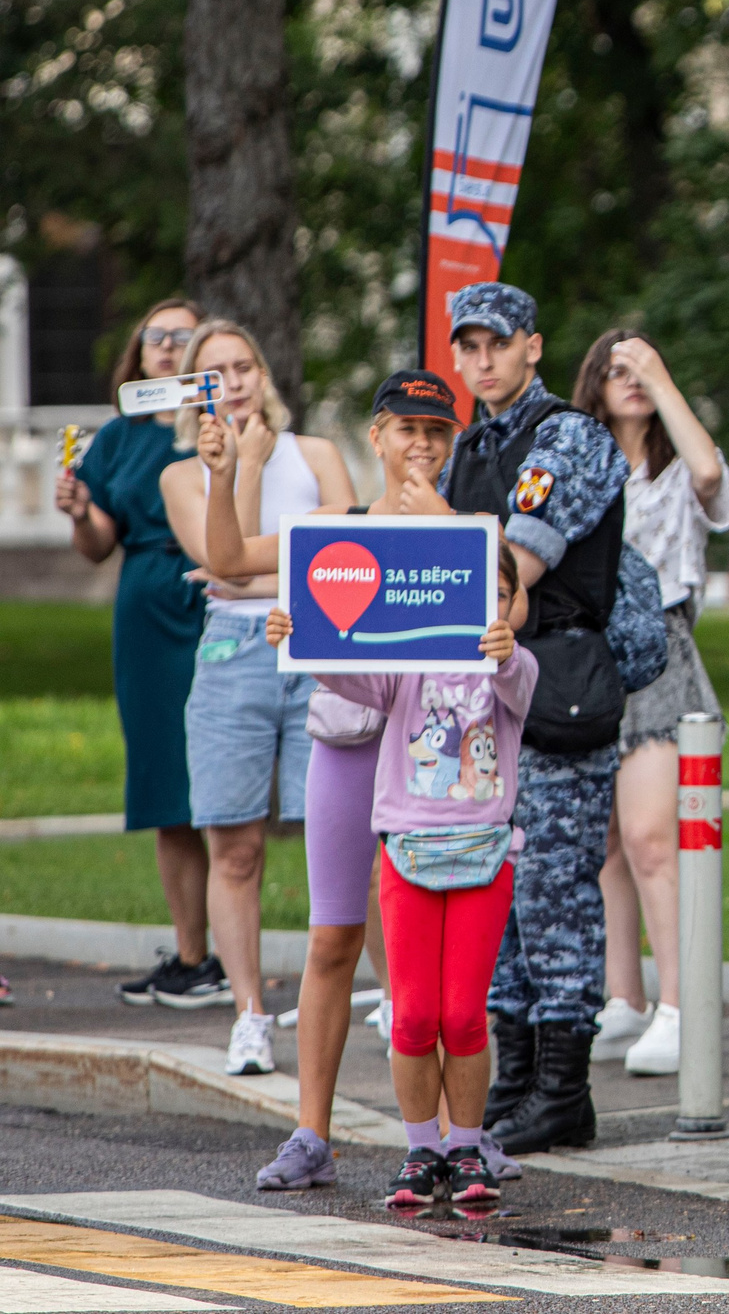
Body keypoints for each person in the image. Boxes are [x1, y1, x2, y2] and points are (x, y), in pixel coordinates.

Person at [208, 371, 461, 1191]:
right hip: (349, 747)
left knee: (438, 950)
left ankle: (458, 1136)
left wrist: (445, 528)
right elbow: (228, 559)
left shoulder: (465, 532)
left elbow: (510, 612)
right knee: (333, 936)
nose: (421, 444)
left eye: (437, 431)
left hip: (434, 762)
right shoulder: (332, 531)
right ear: (377, 436)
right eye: (406, 428)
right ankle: (311, 1134)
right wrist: (225, 473)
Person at [427, 282, 664, 1155]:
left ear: (533, 344)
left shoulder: (569, 436)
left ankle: (564, 1092)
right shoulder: (468, 447)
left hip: (554, 684)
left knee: (555, 893)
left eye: (498, 342)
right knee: (501, 893)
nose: (482, 359)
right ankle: (518, 1079)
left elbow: (514, 565)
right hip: (482, 693)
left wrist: (429, 563)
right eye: (469, 346)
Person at [265, 548, 534, 1209]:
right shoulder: (405, 664)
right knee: (413, 1016)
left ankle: (464, 1146)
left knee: (463, 1015)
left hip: (483, 856)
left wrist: (503, 650)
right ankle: (421, 1151)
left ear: (513, 604)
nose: (487, 609)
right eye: (475, 594)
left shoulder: (516, 666)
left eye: (499, 596)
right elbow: (346, 675)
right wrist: (299, 637)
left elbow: (516, 681)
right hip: (407, 855)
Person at [159, 321, 357, 1077]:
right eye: (214, 373)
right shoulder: (182, 476)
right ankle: (249, 1013)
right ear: (194, 391)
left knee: (337, 833)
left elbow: (350, 556)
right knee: (234, 845)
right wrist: (241, 468)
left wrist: (242, 573)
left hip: (319, 646)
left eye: (244, 366)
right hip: (233, 654)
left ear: (264, 373)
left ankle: (345, 993)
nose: (234, 382)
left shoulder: (318, 455)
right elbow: (227, 559)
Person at [575, 328, 729, 1079]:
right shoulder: (583, 468)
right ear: (594, 385)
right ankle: (625, 998)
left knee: (650, 836)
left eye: (644, 368)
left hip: (661, 648)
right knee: (607, 839)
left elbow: (708, 471)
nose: (633, 380)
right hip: (587, 654)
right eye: (618, 370)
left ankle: (682, 1004)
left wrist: (660, 379)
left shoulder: (677, 472)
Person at [57, 297, 220, 1009]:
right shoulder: (118, 436)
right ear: (139, 348)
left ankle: (235, 950)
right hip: (145, 610)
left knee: (221, 777)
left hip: (214, 595)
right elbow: (98, 543)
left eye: (183, 336)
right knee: (163, 783)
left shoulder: (216, 421)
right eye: (156, 335)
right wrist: (78, 512)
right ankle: (191, 955)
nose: (167, 346)